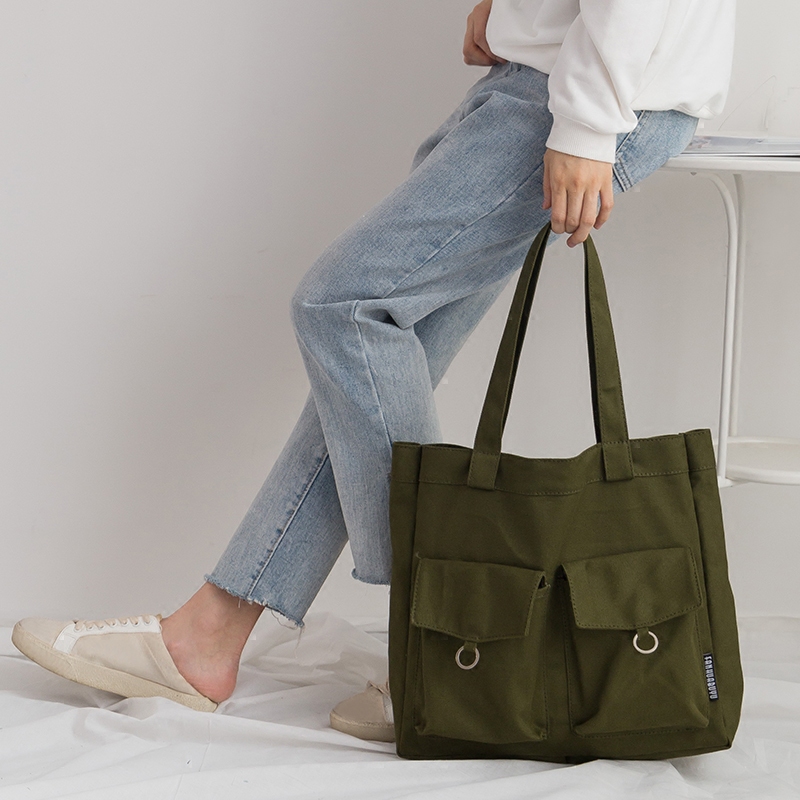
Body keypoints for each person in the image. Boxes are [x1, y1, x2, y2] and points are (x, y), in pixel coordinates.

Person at [13, 0, 735, 742]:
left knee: (344, 306)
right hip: (546, 81)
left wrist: (586, 124)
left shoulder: (589, 106)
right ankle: (208, 638)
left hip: (581, 97)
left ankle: (446, 648)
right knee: (369, 362)